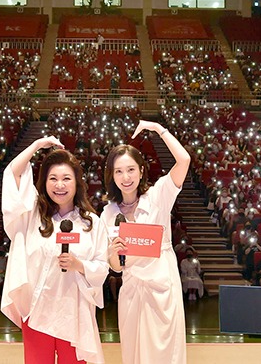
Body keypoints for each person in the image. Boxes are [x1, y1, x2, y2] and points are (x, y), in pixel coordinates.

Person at [1, 136, 109, 364]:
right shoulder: (33, 216)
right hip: (37, 311)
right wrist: (37, 145)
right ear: (44, 182)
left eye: (66, 178)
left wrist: (79, 265)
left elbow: (102, 267)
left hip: (73, 314)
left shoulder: (92, 223)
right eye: (53, 179)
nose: (60, 185)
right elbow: (13, 174)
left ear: (77, 183)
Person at [104, 120, 191, 364]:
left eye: (131, 169)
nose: (126, 177)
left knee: (165, 354)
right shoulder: (108, 213)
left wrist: (158, 129)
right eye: (119, 171)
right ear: (112, 175)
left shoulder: (158, 196)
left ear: (141, 171)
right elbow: (116, 267)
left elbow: (184, 160)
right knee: (134, 354)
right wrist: (114, 253)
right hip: (132, 291)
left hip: (162, 289)